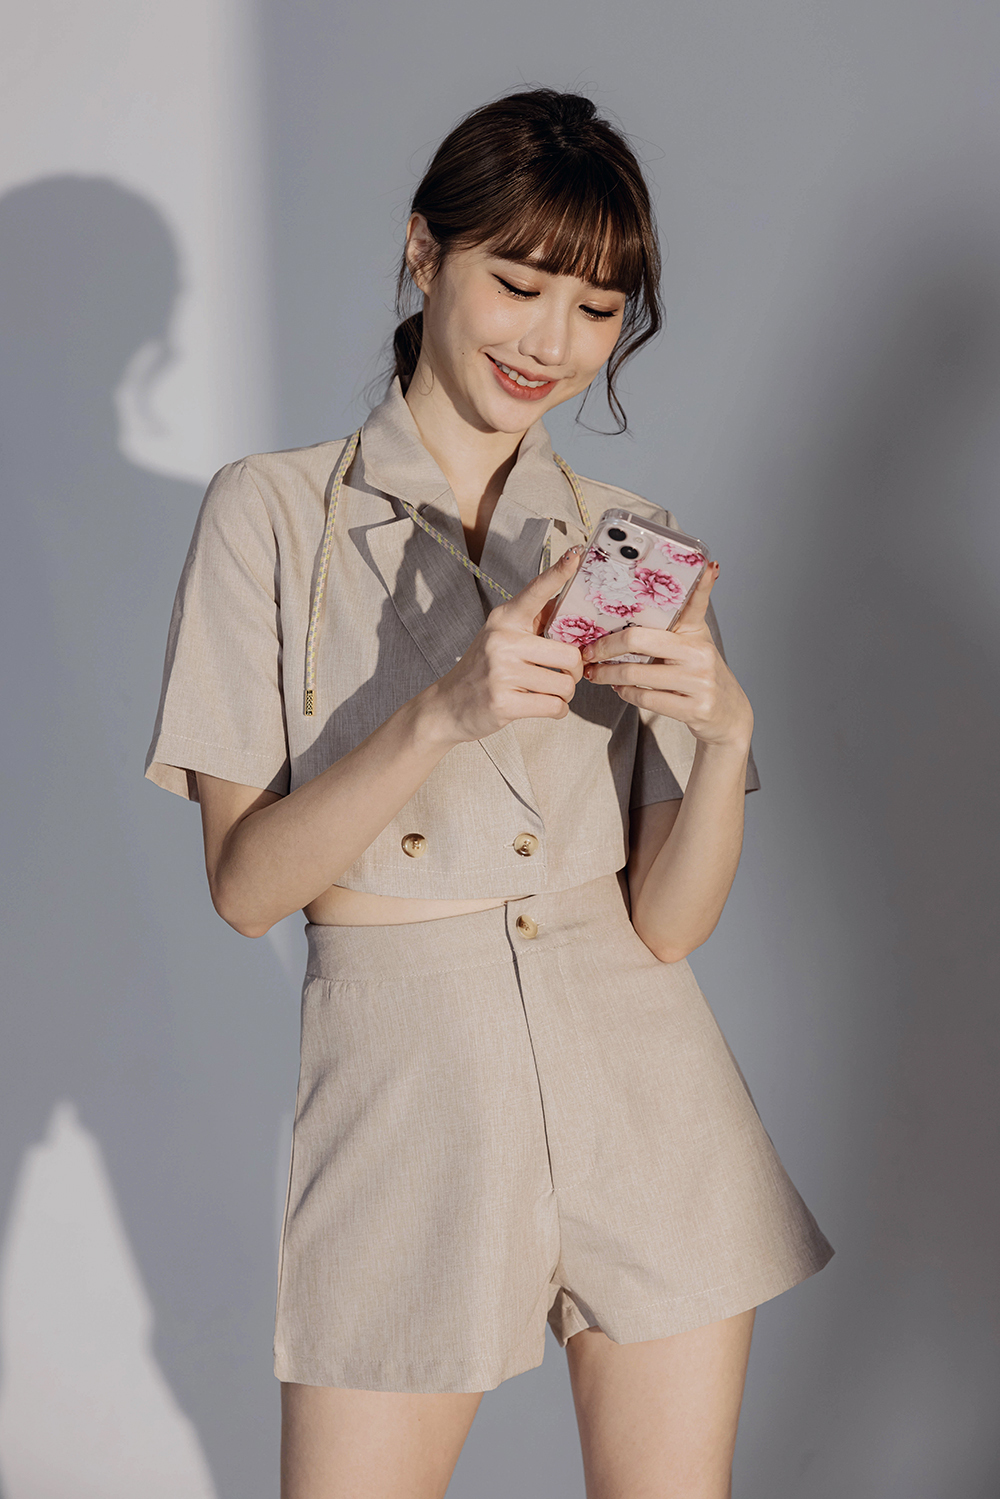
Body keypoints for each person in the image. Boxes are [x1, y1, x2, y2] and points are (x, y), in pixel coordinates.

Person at [146, 88, 832, 1499]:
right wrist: (441, 715)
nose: (550, 342)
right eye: (519, 285)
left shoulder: (626, 542)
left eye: (596, 308)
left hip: (644, 1081)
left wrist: (725, 736)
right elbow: (247, 889)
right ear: (425, 253)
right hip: (409, 1088)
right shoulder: (269, 515)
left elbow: (668, 927)